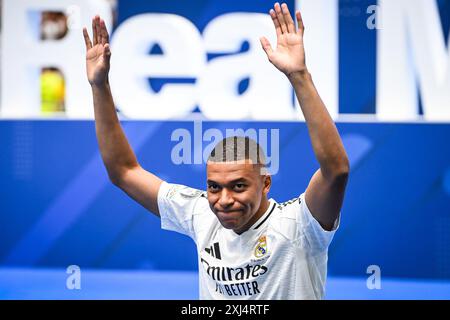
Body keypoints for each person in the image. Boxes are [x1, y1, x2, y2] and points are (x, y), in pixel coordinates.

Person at [83, 2, 349, 300]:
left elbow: (336, 170)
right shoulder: (201, 214)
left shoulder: (299, 226)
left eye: (238, 186)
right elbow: (123, 171)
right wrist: (99, 85)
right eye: (213, 187)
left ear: (265, 183)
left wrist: (299, 76)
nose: (224, 200)